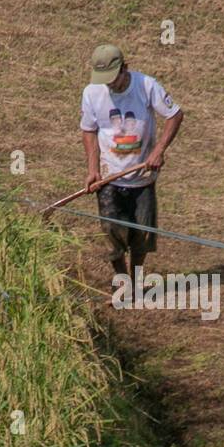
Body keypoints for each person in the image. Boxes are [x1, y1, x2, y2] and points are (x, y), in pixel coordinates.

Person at [79, 44, 183, 286]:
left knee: (142, 234)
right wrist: (93, 169)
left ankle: (136, 280)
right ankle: (122, 280)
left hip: (142, 173)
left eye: (114, 79)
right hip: (109, 175)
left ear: (125, 68)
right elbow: (89, 131)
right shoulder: (92, 93)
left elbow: (175, 115)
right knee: (111, 231)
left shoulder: (146, 86)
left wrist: (158, 152)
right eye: (105, 80)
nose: (110, 85)